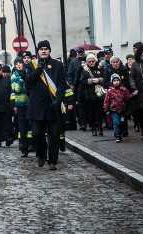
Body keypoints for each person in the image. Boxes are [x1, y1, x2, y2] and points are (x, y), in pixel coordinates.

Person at [25, 40, 66, 170]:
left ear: (49, 51)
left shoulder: (58, 65)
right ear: (38, 51)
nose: (43, 51)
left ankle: (53, 160)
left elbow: (61, 84)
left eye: (46, 49)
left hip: (52, 105)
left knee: (54, 135)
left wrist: (58, 100)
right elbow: (28, 82)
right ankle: (41, 154)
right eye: (41, 49)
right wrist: (38, 70)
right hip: (36, 107)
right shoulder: (32, 65)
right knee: (37, 134)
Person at [103, 74, 134, 142]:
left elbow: (128, 96)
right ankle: (117, 135)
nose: (116, 82)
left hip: (122, 110)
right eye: (114, 81)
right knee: (116, 122)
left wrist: (133, 94)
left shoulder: (123, 89)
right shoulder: (110, 91)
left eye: (117, 80)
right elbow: (106, 100)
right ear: (112, 82)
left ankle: (122, 132)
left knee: (122, 122)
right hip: (114, 110)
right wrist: (106, 108)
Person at [80, 53, 106, 136]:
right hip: (90, 94)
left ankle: (100, 128)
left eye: (93, 61)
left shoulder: (100, 69)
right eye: (89, 61)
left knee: (99, 112)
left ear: (95, 61)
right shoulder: (85, 71)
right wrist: (91, 81)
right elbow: (82, 82)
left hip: (99, 95)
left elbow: (105, 78)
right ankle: (94, 129)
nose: (91, 62)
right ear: (87, 62)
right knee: (91, 113)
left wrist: (99, 80)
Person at [10, 57, 31, 157]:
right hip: (21, 104)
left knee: (32, 127)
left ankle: (33, 146)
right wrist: (22, 79)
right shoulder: (14, 76)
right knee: (22, 128)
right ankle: (24, 148)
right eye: (16, 63)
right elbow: (16, 89)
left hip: (30, 103)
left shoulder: (28, 72)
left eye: (20, 63)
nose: (18, 65)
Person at [67, 47, 86, 131]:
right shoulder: (73, 62)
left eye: (81, 52)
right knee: (79, 105)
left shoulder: (88, 60)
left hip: (87, 85)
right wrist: (71, 84)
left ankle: (86, 121)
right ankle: (82, 123)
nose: (80, 54)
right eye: (79, 52)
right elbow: (70, 74)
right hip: (77, 86)